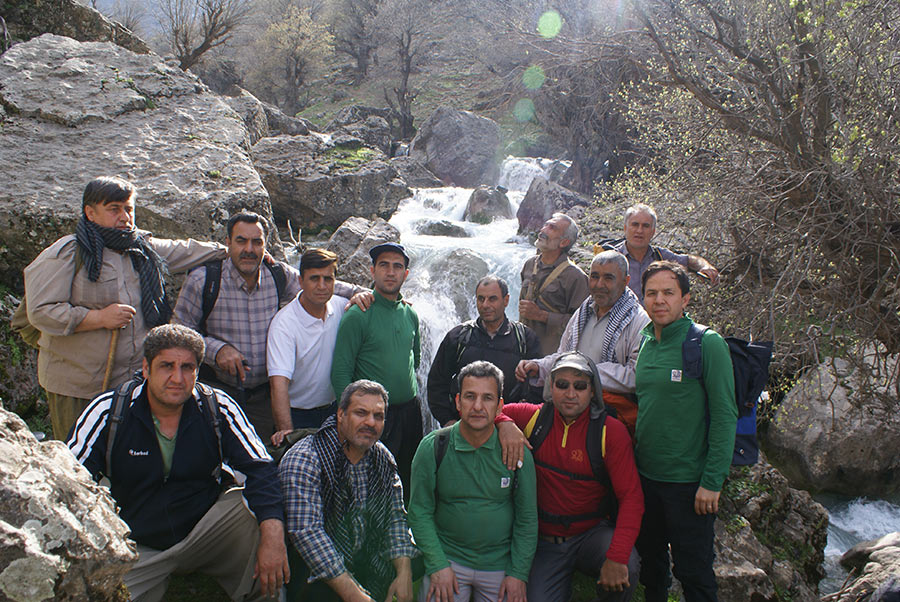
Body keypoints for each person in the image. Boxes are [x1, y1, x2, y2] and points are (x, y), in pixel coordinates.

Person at [67, 324, 288, 601]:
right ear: (146, 369)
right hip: (136, 543)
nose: (177, 378)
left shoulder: (216, 407)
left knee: (250, 512)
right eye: (166, 366)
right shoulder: (110, 411)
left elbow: (260, 468)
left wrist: (273, 538)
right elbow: (69, 477)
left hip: (205, 530)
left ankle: (263, 594)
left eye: (187, 368)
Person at [24, 176, 225, 440]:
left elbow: (184, 251)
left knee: (123, 459)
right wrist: (97, 318)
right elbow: (40, 311)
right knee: (77, 456)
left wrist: (231, 250)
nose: (124, 216)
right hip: (79, 386)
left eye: (128, 208)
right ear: (90, 212)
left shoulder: (140, 248)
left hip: (128, 385)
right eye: (114, 209)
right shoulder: (68, 253)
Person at [173, 212, 366, 441]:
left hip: (262, 399)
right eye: (241, 241)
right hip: (216, 391)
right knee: (212, 455)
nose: (249, 249)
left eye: (257, 242)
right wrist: (216, 350)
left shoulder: (276, 274)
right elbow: (177, 333)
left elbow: (320, 284)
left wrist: (366, 294)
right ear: (228, 243)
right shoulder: (204, 281)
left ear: (266, 245)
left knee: (259, 459)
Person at [498, 352, 643, 602]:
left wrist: (617, 556)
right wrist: (504, 423)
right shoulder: (534, 418)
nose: (570, 393)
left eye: (580, 385)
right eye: (562, 385)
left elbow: (631, 498)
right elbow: (490, 410)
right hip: (545, 541)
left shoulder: (611, 432)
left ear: (592, 391)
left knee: (627, 565)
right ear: (550, 387)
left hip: (591, 534)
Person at [634, 261, 736, 602]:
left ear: (685, 299)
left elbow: (725, 415)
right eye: (651, 293)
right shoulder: (646, 342)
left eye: (668, 293)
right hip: (646, 478)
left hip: (689, 483)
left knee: (694, 573)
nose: (659, 300)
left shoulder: (707, 344)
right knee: (652, 568)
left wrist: (712, 481)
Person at [410, 361, 537, 602]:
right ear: (458, 402)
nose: (478, 406)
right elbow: (419, 511)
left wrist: (518, 573)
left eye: (487, 398)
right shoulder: (434, 447)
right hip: (449, 558)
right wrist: (437, 565)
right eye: (470, 397)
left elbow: (527, 518)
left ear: (500, 405)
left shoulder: (516, 452)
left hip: (499, 564)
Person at [279, 379, 417, 602]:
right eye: (360, 413)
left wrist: (404, 572)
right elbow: (307, 533)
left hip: (365, 559)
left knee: (412, 562)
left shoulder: (382, 457)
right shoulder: (306, 458)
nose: (370, 422)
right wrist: (354, 594)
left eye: (378, 416)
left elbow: (395, 517)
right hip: (313, 574)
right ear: (341, 415)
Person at [516, 251, 650, 436]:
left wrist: (587, 374)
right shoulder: (584, 311)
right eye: (594, 277)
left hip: (611, 421)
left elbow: (637, 376)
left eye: (608, 278)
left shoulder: (639, 321)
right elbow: (564, 357)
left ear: (626, 281)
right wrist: (539, 366)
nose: (599, 285)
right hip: (571, 413)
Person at [331, 242, 421, 495]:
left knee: (407, 475)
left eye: (397, 267)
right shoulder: (358, 314)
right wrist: (345, 420)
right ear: (372, 271)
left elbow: (416, 357)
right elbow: (340, 371)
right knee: (369, 481)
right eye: (384, 265)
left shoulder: (410, 314)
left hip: (409, 413)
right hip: (372, 415)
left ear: (405, 274)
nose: (390, 272)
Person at [427, 275, 542, 426]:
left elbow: (537, 387)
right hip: (463, 426)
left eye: (492, 299)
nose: (485, 305)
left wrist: (517, 425)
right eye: (481, 299)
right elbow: (437, 382)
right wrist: (448, 421)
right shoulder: (458, 337)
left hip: (509, 430)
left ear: (506, 300)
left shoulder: (526, 339)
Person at [267, 248, 352, 442]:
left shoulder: (342, 307)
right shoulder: (284, 324)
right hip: (298, 414)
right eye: (314, 279)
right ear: (300, 281)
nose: (322, 286)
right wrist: (288, 433)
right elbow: (278, 384)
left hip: (335, 410)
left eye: (328, 279)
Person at [612, 204, 719, 303]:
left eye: (645, 226)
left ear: (653, 231)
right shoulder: (612, 259)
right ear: (625, 228)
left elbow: (690, 261)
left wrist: (705, 267)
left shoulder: (661, 257)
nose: (640, 230)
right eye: (635, 225)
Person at [519, 213, 589, 354]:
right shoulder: (529, 264)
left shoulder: (576, 277)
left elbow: (582, 325)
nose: (543, 230)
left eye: (552, 228)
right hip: (522, 351)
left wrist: (542, 316)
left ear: (564, 242)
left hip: (552, 358)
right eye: (546, 225)